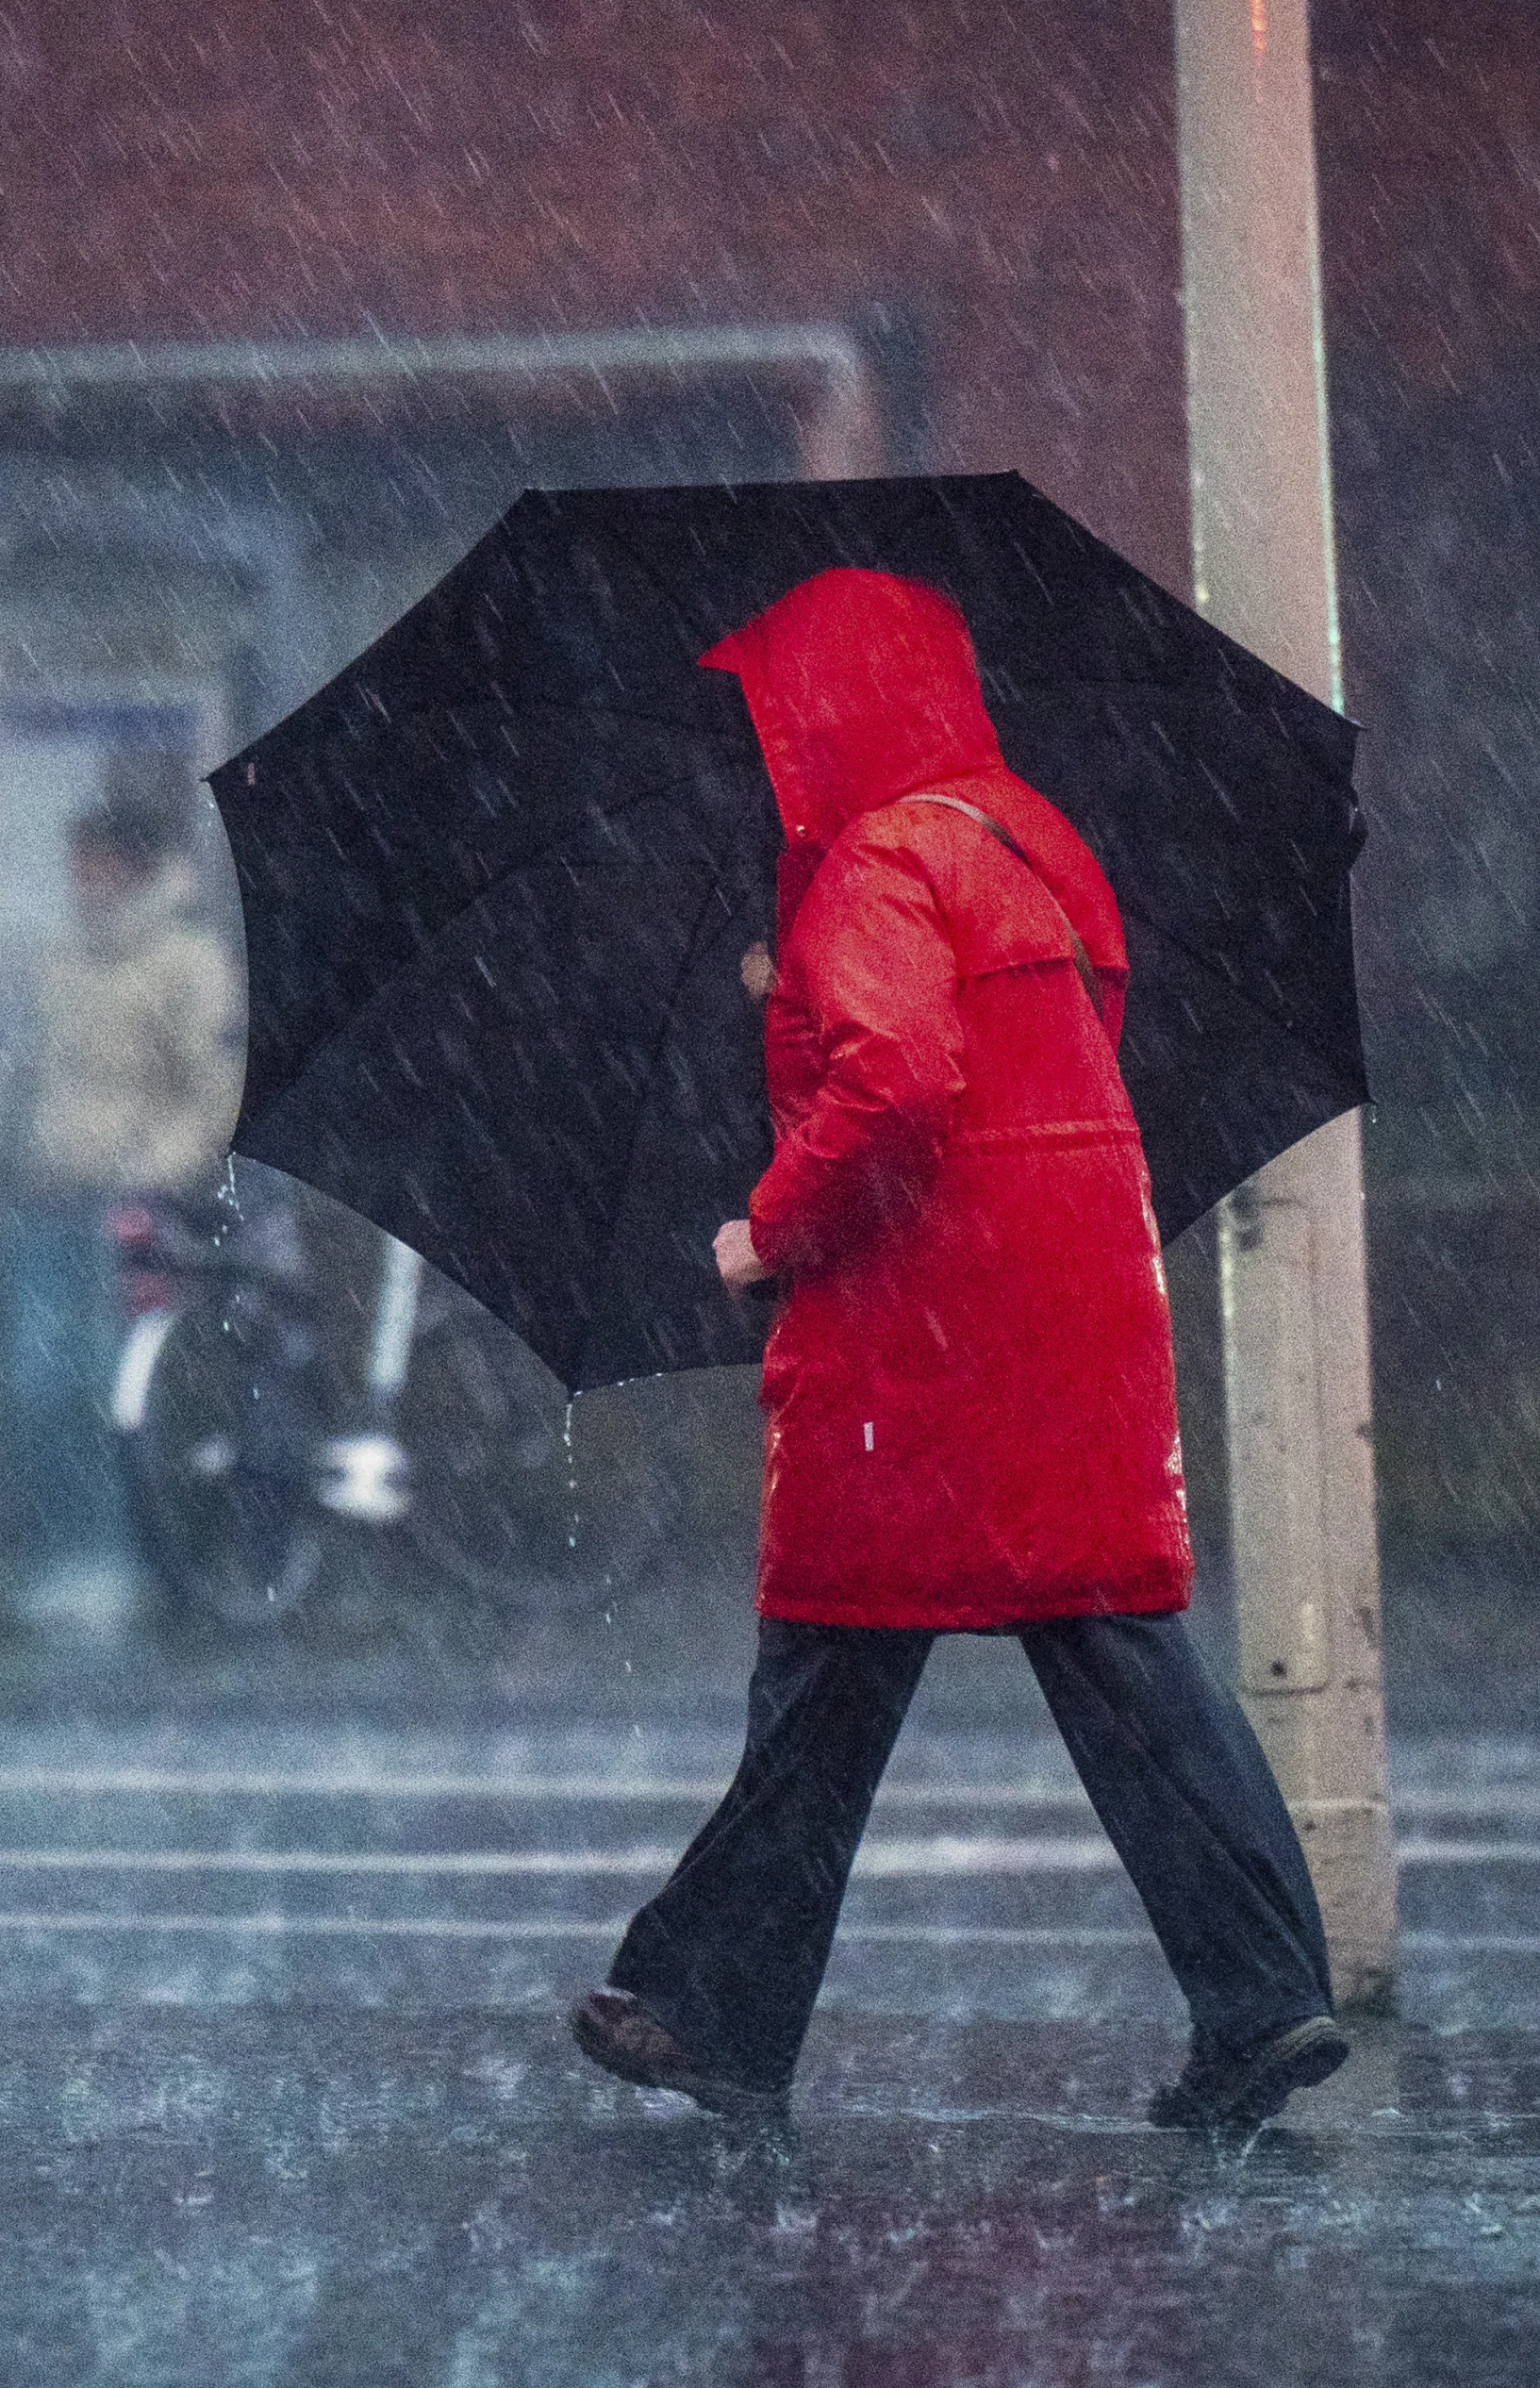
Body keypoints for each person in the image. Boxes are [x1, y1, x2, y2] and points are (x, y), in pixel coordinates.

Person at [569, 568, 1346, 2135]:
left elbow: (898, 1089)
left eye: (781, 726)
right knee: (1111, 1642)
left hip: (921, 1330)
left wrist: (764, 1227)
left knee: (830, 1656)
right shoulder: (1026, 842)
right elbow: (1055, 1047)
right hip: (1070, 1297)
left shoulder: (875, 863)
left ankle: (714, 2008)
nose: (772, 759)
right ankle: (1265, 2000)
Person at [11, 799, 242, 1589]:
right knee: (40, 1384)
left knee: (117, 1385)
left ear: (132, 864)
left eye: (93, 860)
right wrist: (22, 1155)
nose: (78, 877)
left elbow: (212, 1093)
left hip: (136, 1203)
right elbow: (32, 1068)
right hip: (51, 1198)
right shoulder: (56, 953)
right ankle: (60, 1551)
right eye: (75, 860)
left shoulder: (189, 958)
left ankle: (119, 1559)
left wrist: (150, 1170)